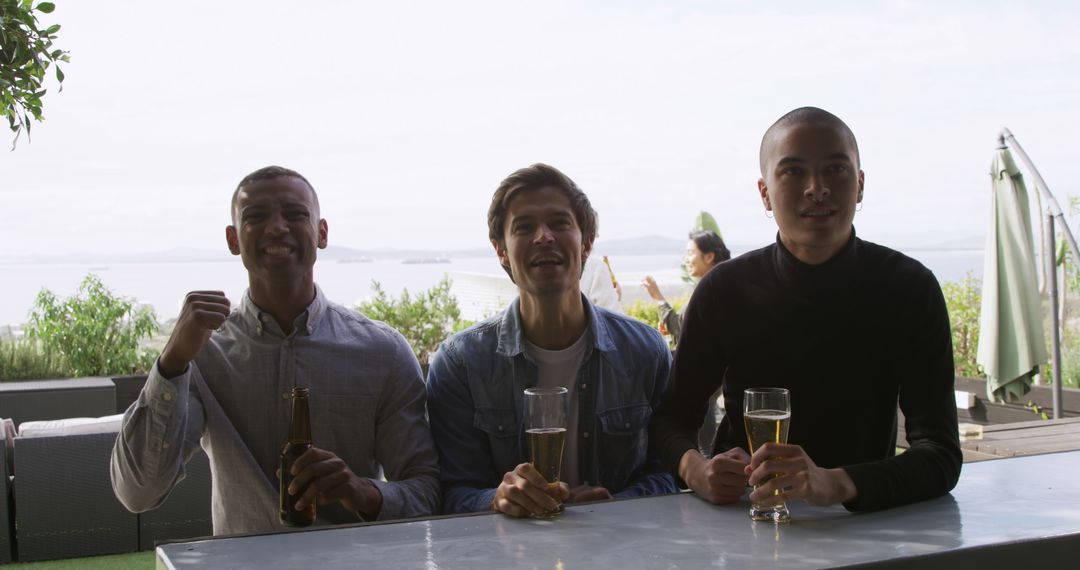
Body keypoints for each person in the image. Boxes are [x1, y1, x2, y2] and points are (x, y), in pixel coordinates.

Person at [649, 107, 962, 513]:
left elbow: (940, 454)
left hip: (863, 529)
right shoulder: (725, 290)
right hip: (745, 519)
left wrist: (832, 482)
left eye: (835, 168)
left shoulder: (908, 288)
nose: (817, 188)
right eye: (793, 172)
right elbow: (670, 420)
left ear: (860, 184)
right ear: (765, 192)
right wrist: (697, 471)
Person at [110, 166, 440, 534]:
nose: (277, 227)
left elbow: (427, 492)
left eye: (295, 214)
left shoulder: (384, 352)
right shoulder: (203, 354)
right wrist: (171, 361)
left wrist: (363, 492)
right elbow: (137, 492)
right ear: (233, 240)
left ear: (322, 232)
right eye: (256, 216)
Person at [426, 163, 678, 517]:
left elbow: (670, 472)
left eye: (559, 223)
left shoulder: (646, 352)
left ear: (586, 242)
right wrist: (496, 499)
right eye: (524, 227)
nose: (543, 236)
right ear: (501, 250)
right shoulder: (461, 363)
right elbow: (449, 491)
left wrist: (614, 507)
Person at [641, 230, 730, 346]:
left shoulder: (709, 292)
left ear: (709, 257)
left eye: (690, 253)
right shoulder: (722, 286)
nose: (686, 260)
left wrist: (658, 297)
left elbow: (679, 326)